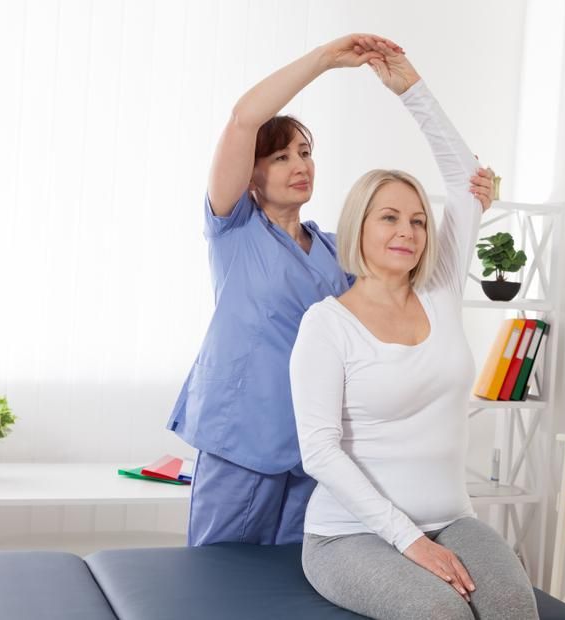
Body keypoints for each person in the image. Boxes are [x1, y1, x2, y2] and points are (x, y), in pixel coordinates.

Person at [167, 34, 495, 547]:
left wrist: (474, 204)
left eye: (305, 153)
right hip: (243, 442)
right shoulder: (234, 230)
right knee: (219, 583)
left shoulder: (337, 250)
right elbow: (242, 119)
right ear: (251, 173)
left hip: (318, 453)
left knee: (298, 589)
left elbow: (401, 247)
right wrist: (325, 61)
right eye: (279, 157)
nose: (300, 165)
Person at [290, 39, 539, 619]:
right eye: (390, 217)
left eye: (419, 221)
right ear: (359, 225)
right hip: (348, 534)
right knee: (441, 614)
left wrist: (410, 86)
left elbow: (463, 174)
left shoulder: (441, 287)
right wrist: (408, 540)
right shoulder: (327, 326)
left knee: (512, 609)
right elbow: (319, 453)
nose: (408, 231)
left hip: (454, 519)